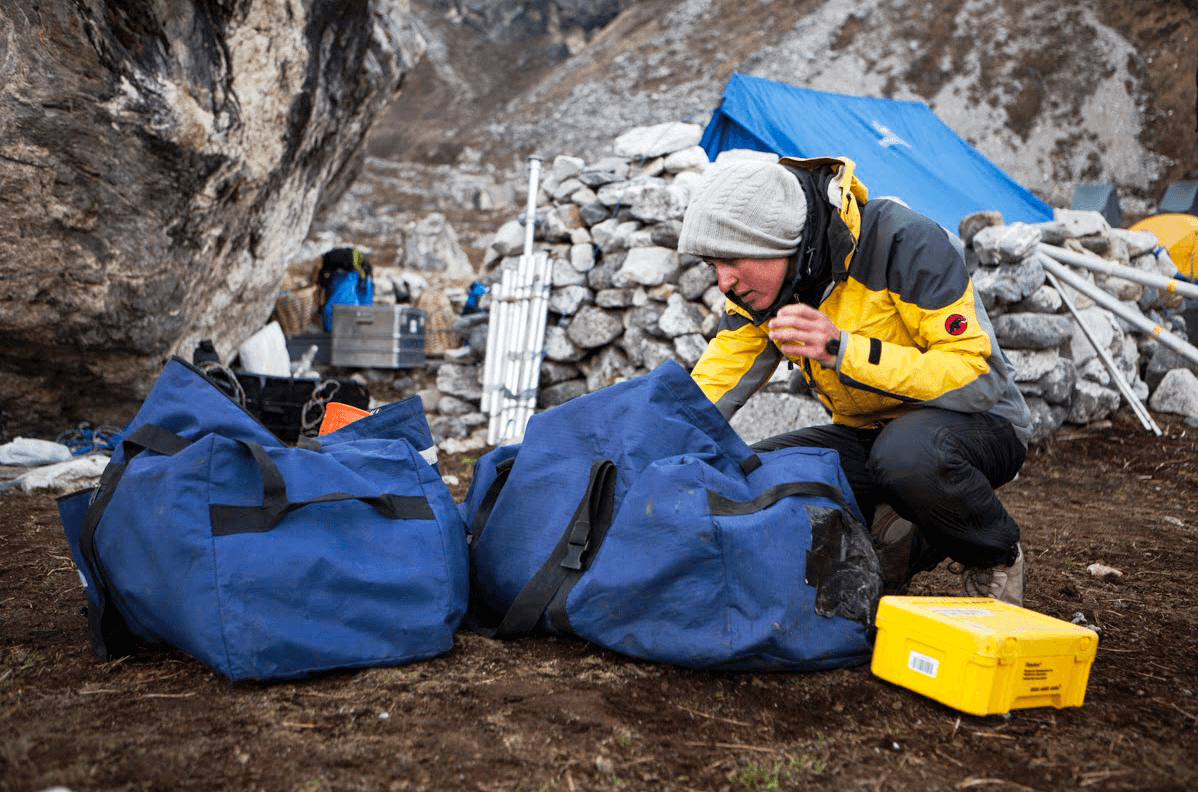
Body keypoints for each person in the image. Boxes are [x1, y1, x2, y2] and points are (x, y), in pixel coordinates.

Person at [678, 155, 1032, 606]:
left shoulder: (907, 242)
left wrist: (841, 350)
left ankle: (993, 555)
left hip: (978, 423)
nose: (724, 281)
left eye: (732, 259)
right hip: (870, 434)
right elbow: (714, 386)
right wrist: (653, 441)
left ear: (778, 240)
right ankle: (895, 536)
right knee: (762, 473)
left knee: (907, 457)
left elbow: (977, 379)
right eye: (713, 264)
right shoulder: (768, 288)